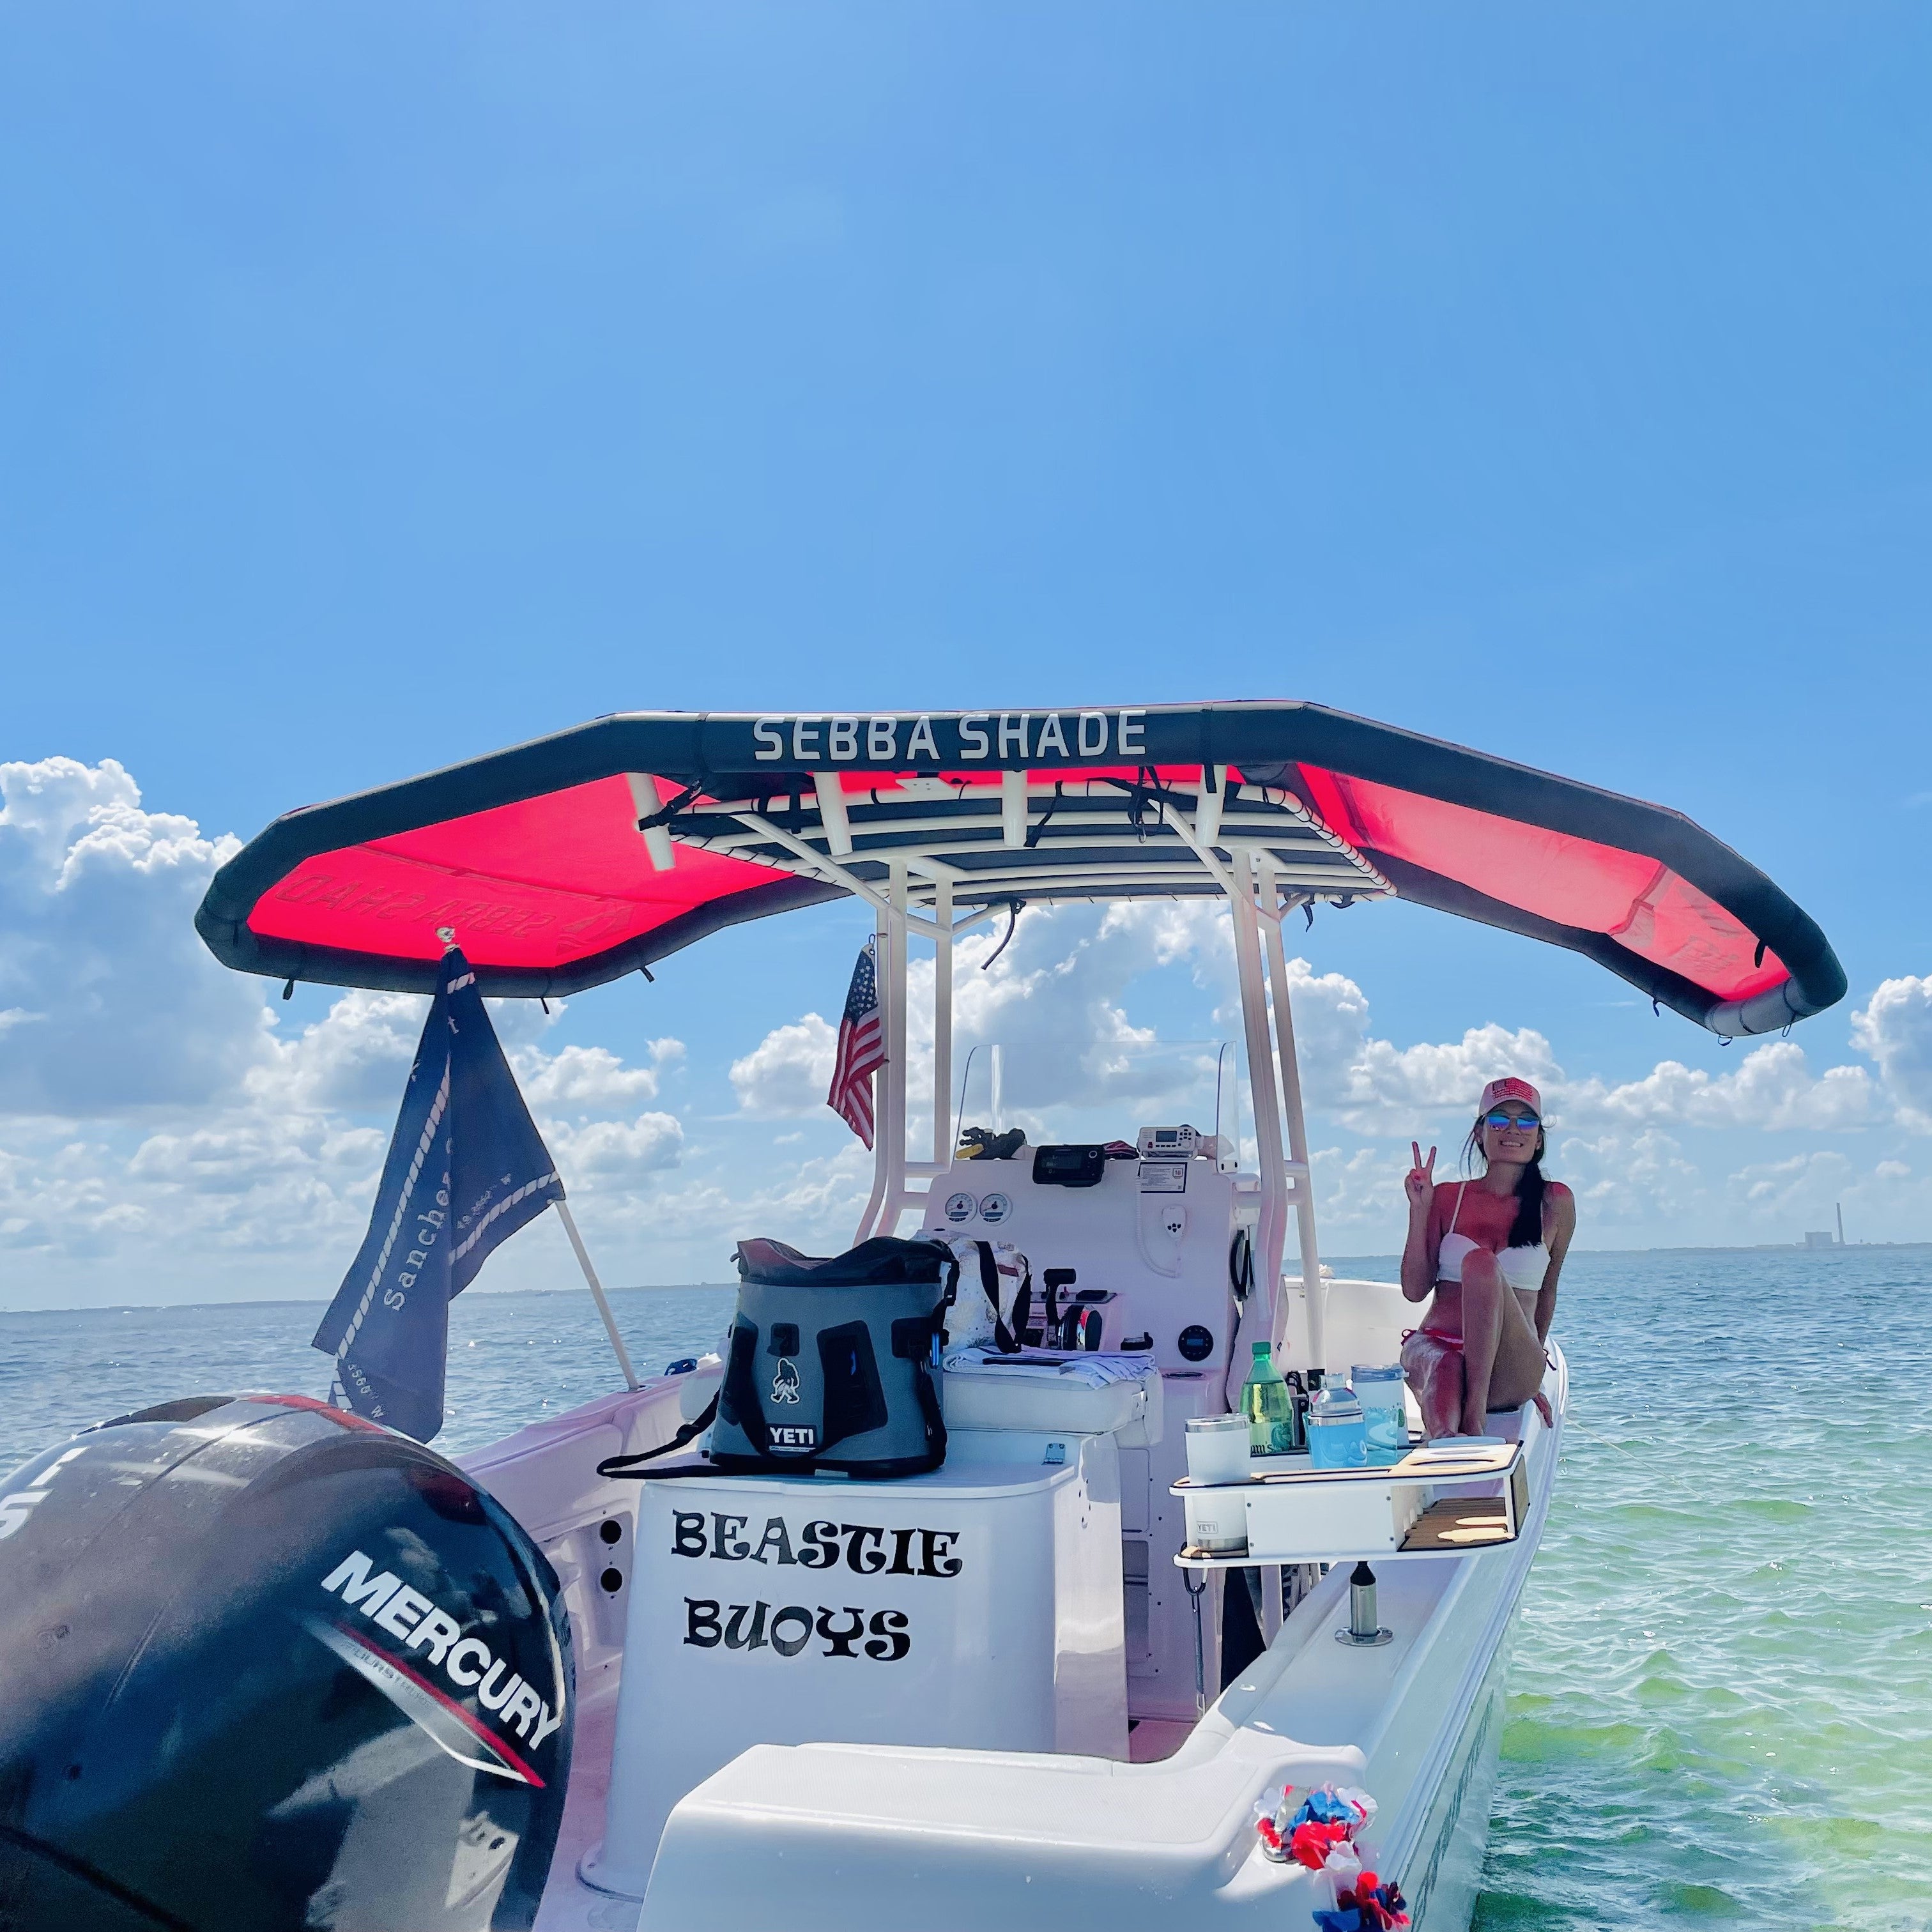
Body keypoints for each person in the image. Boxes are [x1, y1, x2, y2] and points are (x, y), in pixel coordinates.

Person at [1398, 1077, 1573, 1438]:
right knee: (1445, 1365)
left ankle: (1474, 1419)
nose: (1513, 1130)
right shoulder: (1447, 1197)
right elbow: (1415, 1290)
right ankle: (1449, 1446)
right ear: (1480, 1133)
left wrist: (1530, 1365)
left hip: (1506, 1368)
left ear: (1538, 1139)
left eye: (1526, 1122)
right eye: (1499, 1121)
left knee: (1480, 1263)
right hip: (1439, 1347)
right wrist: (1420, 1210)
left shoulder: (1554, 1202)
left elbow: (1547, 1292)